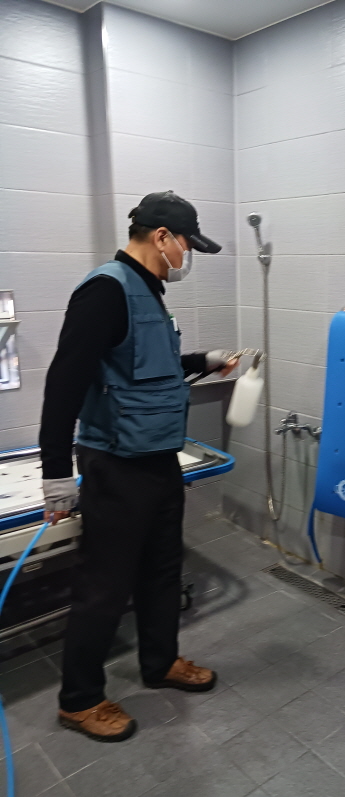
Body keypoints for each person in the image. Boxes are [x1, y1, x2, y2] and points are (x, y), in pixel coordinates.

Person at [39, 191, 237, 742]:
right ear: (162, 237)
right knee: (104, 585)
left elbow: (144, 365)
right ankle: (79, 700)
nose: (186, 256)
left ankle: (160, 661)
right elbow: (64, 382)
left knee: (162, 569)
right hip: (116, 463)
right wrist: (56, 473)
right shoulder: (105, 290)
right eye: (186, 245)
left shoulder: (148, 290)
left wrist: (203, 362)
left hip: (157, 458)